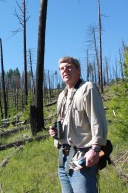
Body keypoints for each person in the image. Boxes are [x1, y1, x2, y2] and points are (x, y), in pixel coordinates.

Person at [49, 56, 108, 193]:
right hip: (63, 159)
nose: (65, 70)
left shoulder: (88, 88)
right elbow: (66, 122)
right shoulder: (62, 95)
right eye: (62, 68)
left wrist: (95, 149)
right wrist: (56, 132)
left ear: (78, 70)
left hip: (83, 159)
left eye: (69, 67)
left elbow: (97, 121)